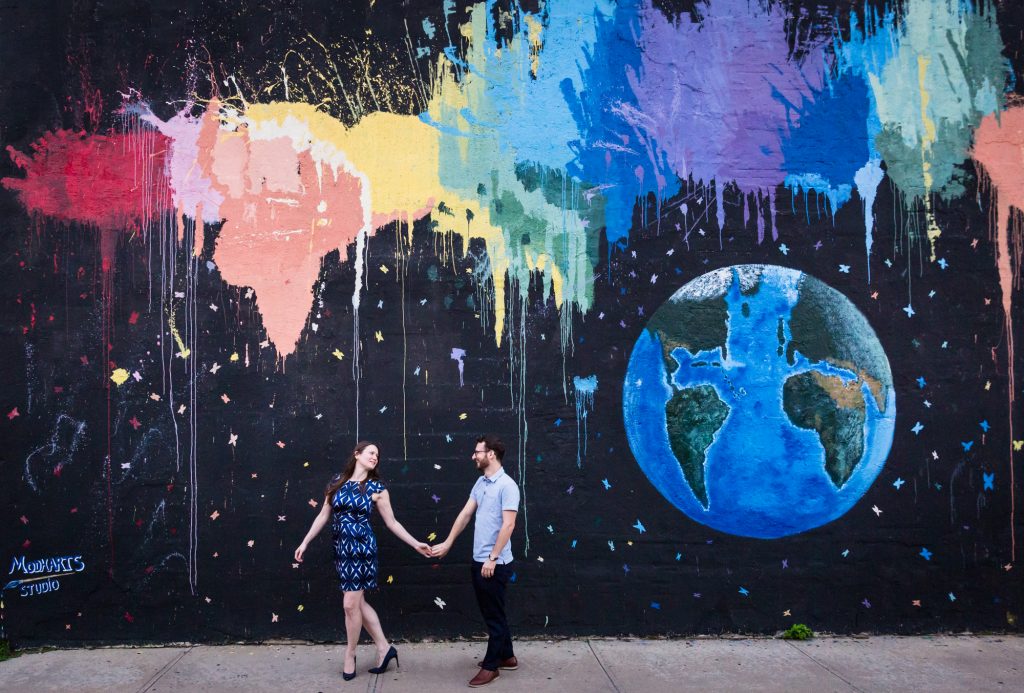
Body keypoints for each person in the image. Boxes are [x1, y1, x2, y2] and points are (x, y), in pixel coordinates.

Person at [295, 441, 432, 681]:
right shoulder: (336, 482)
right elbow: (323, 515)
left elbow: (392, 523)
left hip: (362, 550)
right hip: (342, 550)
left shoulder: (377, 487)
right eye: (371, 453)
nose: (375, 457)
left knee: (350, 604)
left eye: (378, 455)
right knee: (357, 603)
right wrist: (305, 542)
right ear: (357, 455)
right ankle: (384, 648)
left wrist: (416, 543)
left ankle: (350, 654)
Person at [431, 434, 520, 688]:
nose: (474, 456)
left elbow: (509, 524)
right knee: (493, 611)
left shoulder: (507, 486)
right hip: (480, 559)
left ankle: (492, 666)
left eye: (477, 452)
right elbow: (465, 513)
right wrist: (448, 542)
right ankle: (508, 656)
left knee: (494, 616)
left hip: (495, 563)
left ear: (491, 454)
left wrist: (492, 558)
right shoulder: (481, 483)